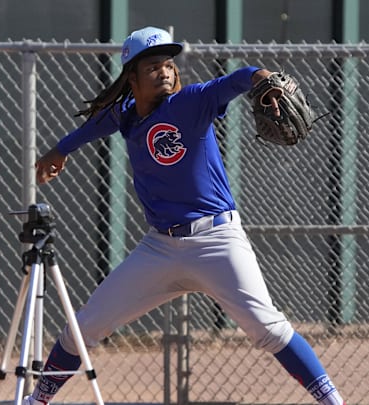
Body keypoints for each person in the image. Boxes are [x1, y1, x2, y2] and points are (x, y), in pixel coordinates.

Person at [23, 26, 346, 405]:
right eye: (153, 65)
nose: (165, 70)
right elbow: (95, 125)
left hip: (217, 241)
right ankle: (37, 400)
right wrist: (60, 150)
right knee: (85, 326)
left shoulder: (192, 101)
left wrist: (265, 80)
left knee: (268, 329)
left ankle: (332, 401)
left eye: (169, 63)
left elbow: (238, 79)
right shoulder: (125, 115)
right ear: (132, 77)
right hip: (160, 248)